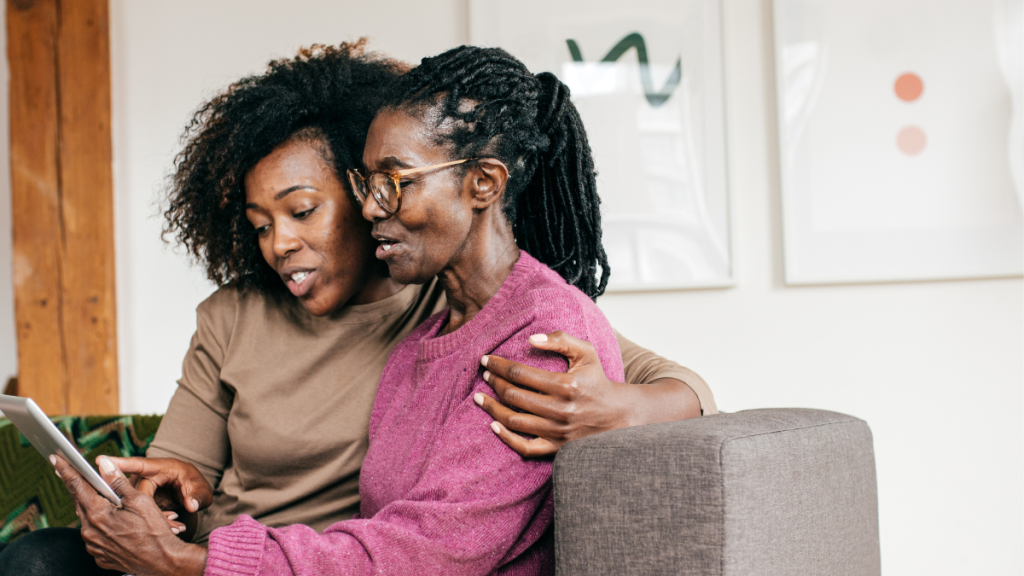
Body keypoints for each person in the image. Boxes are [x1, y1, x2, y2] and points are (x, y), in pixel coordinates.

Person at [0, 42, 715, 575]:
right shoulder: (270, 319)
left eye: (303, 211)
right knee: (36, 561)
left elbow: (433, 543)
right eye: (258, 225)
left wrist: (622, 410)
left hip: (294, 562)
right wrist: (172, 496)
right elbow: (185, 467)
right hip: (249, 555)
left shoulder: (480, 312)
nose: (280, 244)